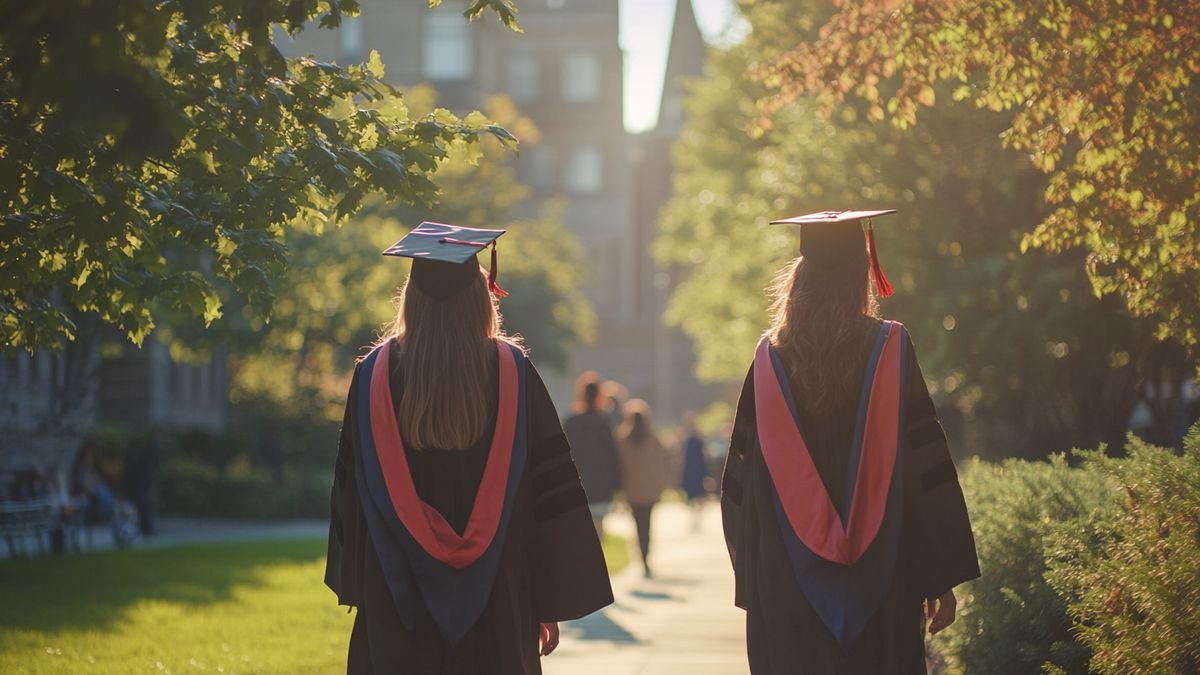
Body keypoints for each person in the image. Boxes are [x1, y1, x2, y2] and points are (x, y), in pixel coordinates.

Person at [324, 222, 613, 674]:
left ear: (410, 297)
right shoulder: (512, 372)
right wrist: (545, 598)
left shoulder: (374, 376)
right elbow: (547, 493)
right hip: (498, 596)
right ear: (482, 295)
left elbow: (353, 494)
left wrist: (359, 585)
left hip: (397, 599)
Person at [721, 210, 980, 673]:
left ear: (799, 282)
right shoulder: (892, 352)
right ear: (862, 275)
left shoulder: (768, 363)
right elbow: (928, 471)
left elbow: (740, 489)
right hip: (883, 580)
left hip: (787, 585)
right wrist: (941, 576)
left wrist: (752, 577)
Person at [562, 371, 622, 539]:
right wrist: (617, 484)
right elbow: (612, 456)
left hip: (576, 483)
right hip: (601, 484)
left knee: (580, 532)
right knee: (598, 530)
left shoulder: (571, 422)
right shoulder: (603, 423)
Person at [616, 399, 670, 578]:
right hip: (650, 490)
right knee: (647, 524)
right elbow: (664, 459)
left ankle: (641, 556)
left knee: (637, 524)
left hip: (632, 490)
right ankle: (646, 556)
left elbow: (618, 465)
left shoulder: (622, 439)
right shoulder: (653, 438)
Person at [678, 412, 708, 531]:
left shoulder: (695, 440)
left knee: (697, 496)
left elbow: (701, 458)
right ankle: (694, 517)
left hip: (694, 470)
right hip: (692, 471)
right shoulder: (687, 440)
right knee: (693, 497)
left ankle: (696, 517)